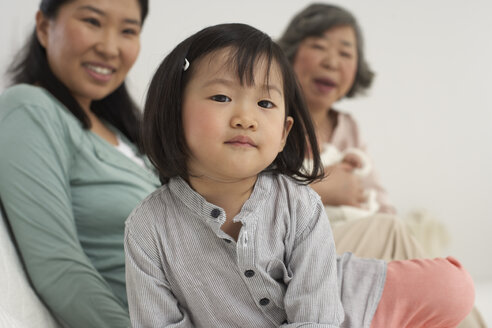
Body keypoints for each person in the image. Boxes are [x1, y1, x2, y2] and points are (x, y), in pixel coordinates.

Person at [124, 22, 474, 328]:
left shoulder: (299, 203)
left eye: (265, 104)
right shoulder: (147, 227)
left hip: (344, 303)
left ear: (283, 133)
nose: (246, 117)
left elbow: (316, 317)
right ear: (173, 112)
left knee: (454, 287)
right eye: (221, 96)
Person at [277, 3, 485, 327]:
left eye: (346, 53)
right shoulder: (270, 115)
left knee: (399, 238)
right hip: (295, 252)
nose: (331, 61)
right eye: (318, 46)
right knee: (393, 234)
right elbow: (249, 194)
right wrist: (323, 187)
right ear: (289, 54)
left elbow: (380, 201)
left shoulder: (349, 127)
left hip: (350, 248)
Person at [0, 0, 159, 327]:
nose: (109, 47)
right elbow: (58, 266)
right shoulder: (30, 109)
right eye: (92, 21)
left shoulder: (125, 135)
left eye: (128, 30)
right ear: (45, 27)